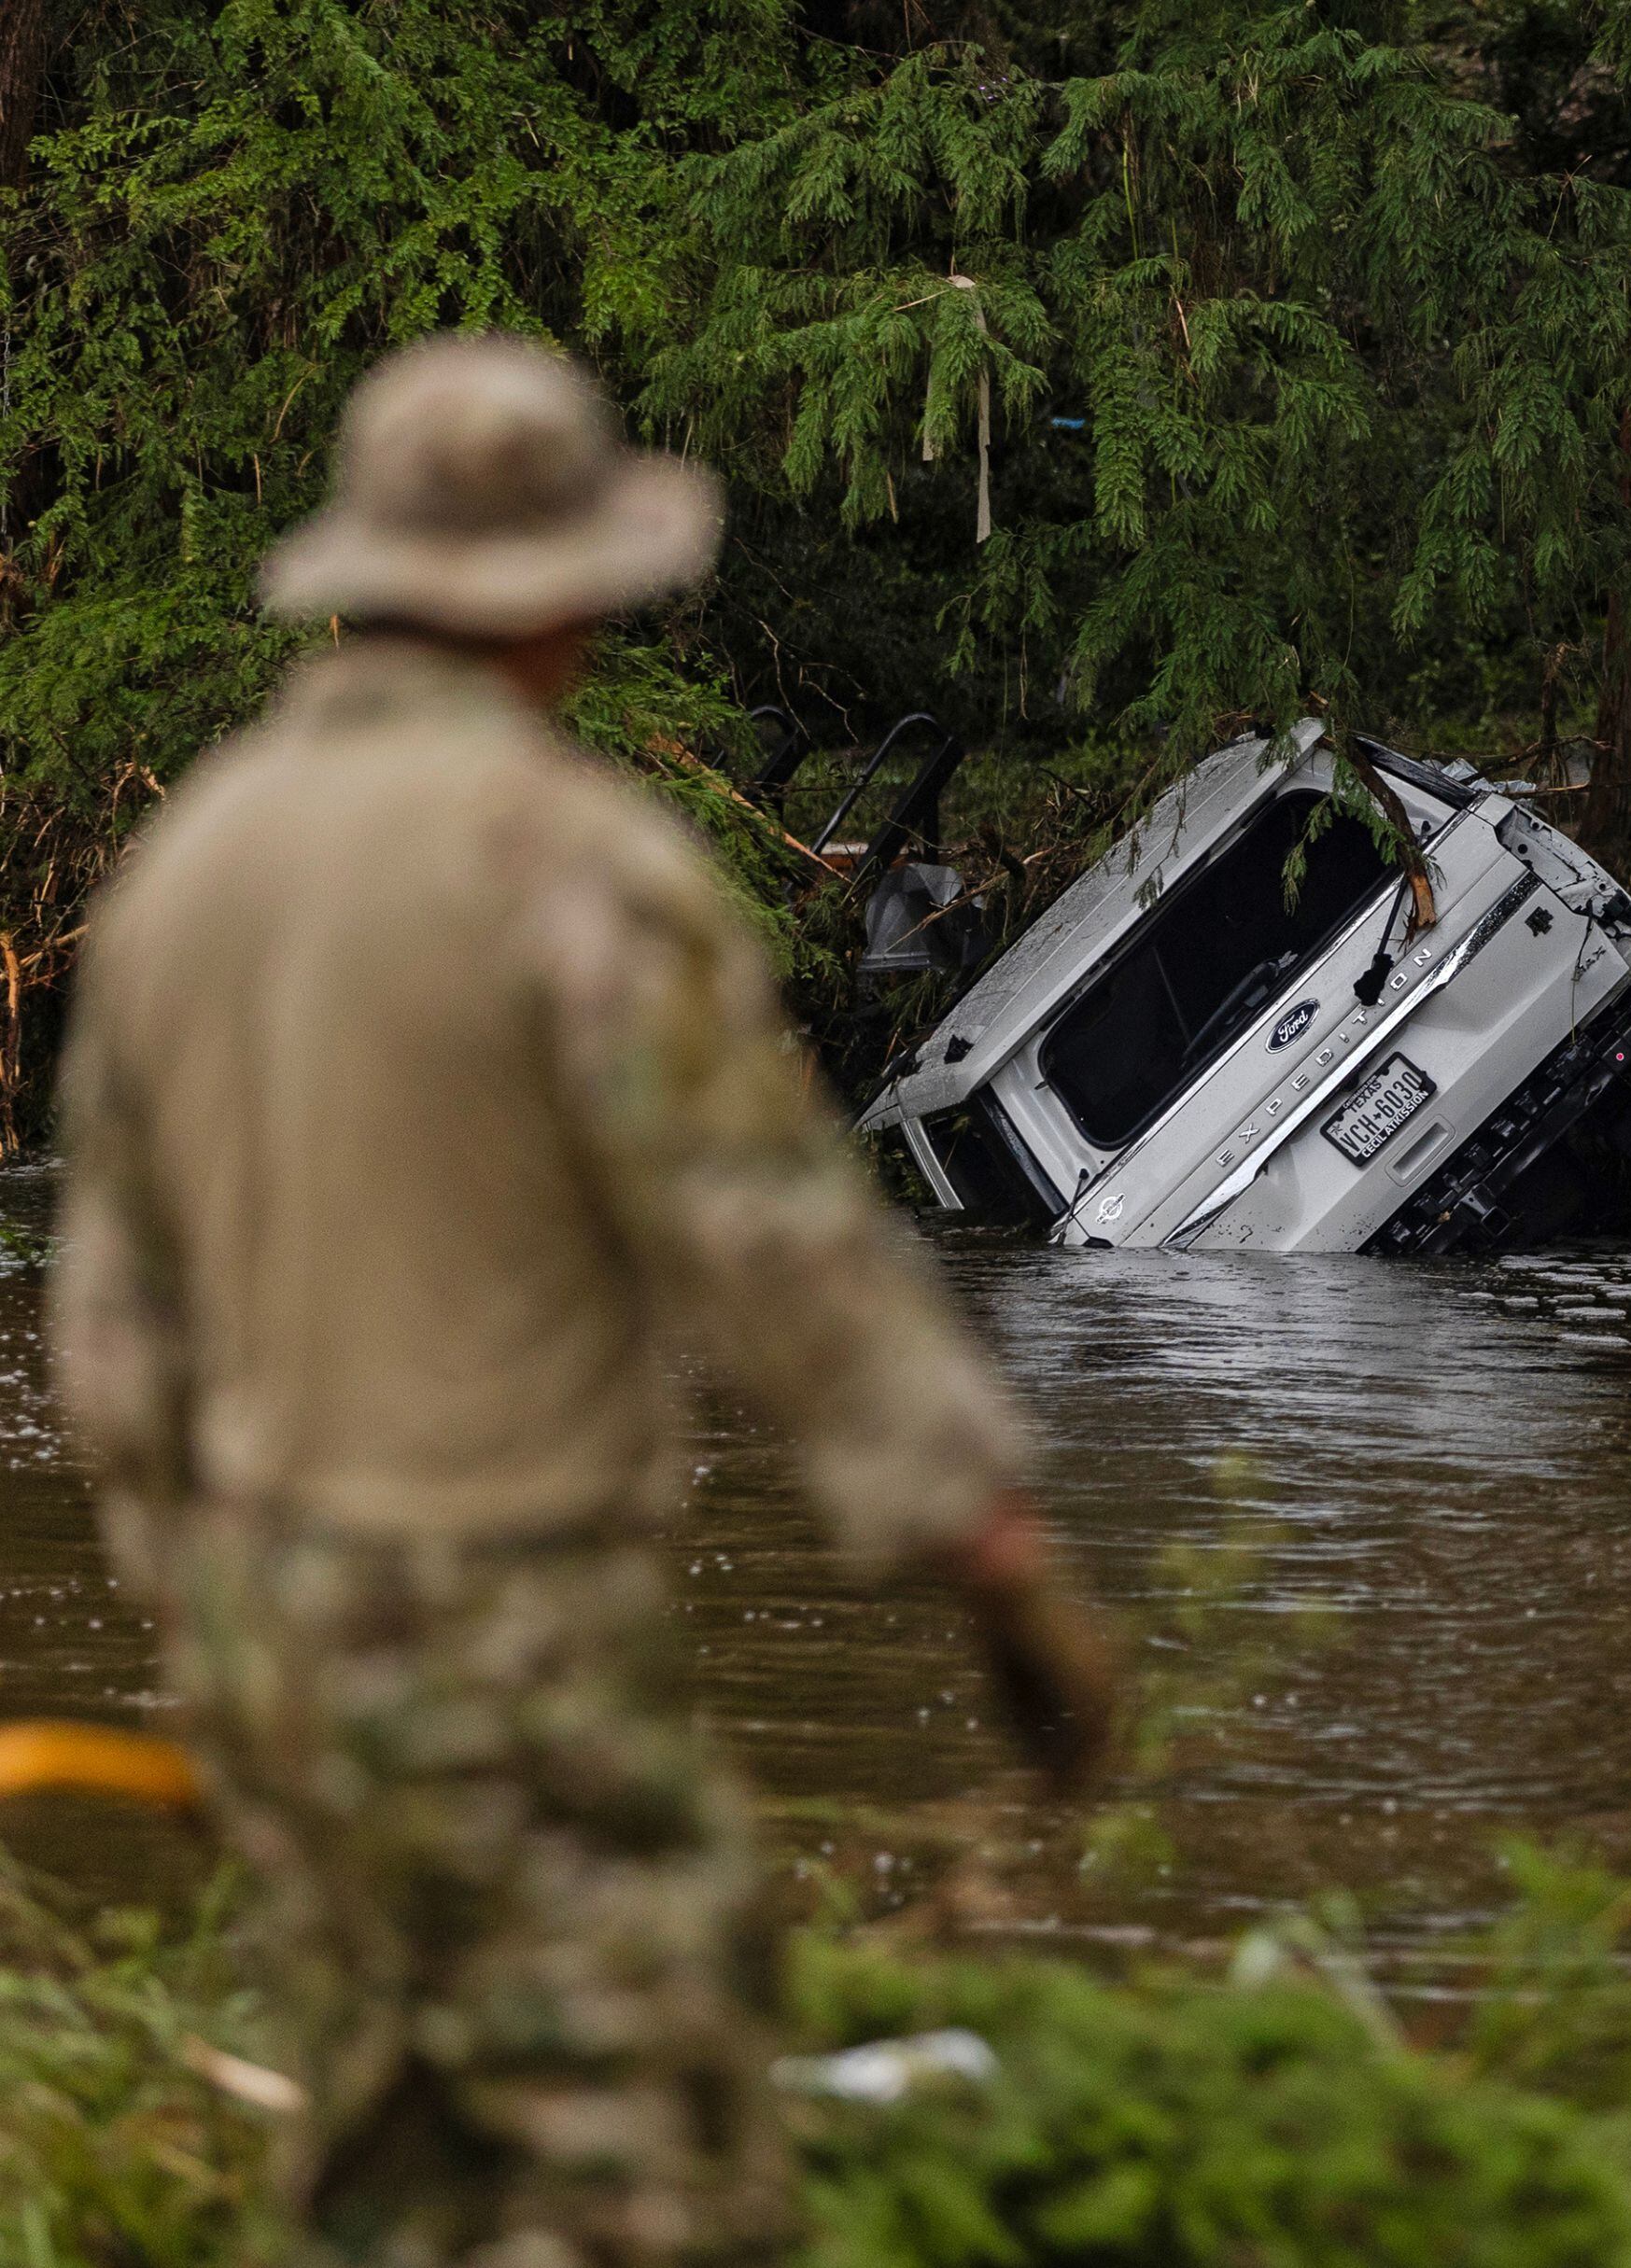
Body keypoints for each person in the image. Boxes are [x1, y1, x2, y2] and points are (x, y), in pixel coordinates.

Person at [48, 332, 1114, 2266]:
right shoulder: (574, 867)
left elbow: (111, 1329)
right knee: (651, 2166)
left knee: (392, 2160)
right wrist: (998, 1551)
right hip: (504, 1623)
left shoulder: (187, 868)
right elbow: (777, 1245)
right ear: (561, 605)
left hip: (265, 1627)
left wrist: (210, 1597)